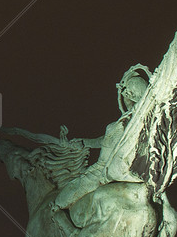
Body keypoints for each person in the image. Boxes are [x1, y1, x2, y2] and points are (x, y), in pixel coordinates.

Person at [51, 65, 150, 213]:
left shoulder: (127, 123)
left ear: (130, 95)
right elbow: (105, 140)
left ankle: (58, 213)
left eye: (125, 94)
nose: (123, 98)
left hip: (103, 170)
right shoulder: (134, 121)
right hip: (122, 169)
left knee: (65, 197)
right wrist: (84, 142)